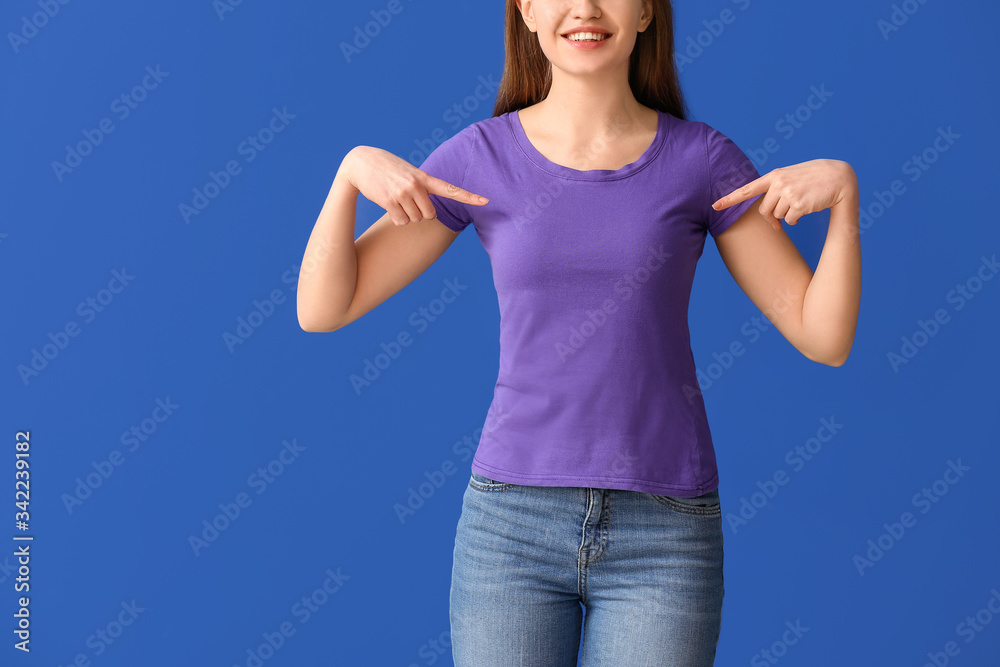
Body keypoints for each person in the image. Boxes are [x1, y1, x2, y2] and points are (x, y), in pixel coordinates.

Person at [297, 0, 860, 663]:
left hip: (666, 532)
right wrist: (348, 175)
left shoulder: (701, 160)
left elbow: (824, 336)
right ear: (528, 12)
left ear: (647, 12)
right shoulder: (480, 157)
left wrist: (846, 199)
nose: (585, 9)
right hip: (511, 528)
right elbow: (324, 306)